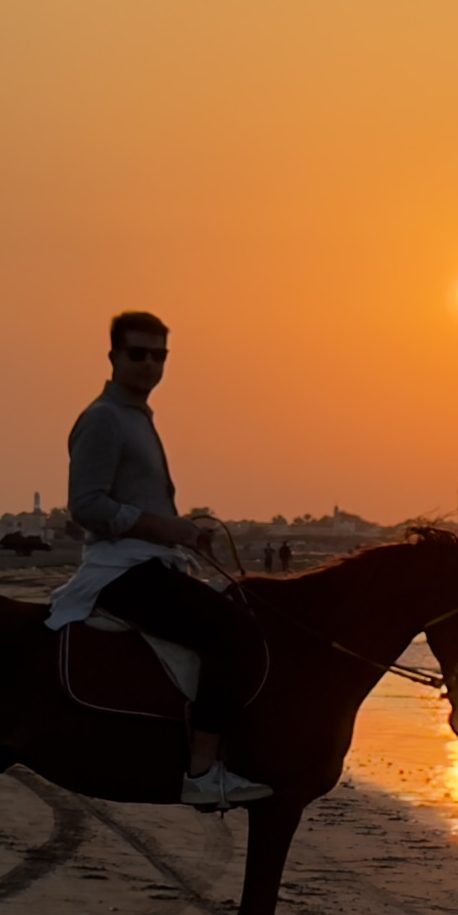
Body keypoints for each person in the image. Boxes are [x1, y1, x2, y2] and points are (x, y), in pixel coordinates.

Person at [50, 311, 271, 807]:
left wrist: (186, 532)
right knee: (232, 633)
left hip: (152, 560)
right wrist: (162, 527)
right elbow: (85, 504)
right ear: (113, 357)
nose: (150, 364)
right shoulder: (104, 418)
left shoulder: (136, 417)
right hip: (121, 570)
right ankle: (202, 771)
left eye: (160, 355)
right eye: (138, 353)